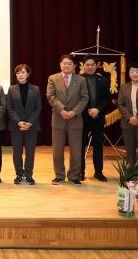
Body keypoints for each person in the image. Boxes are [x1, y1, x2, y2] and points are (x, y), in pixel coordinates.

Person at [46, 54, 89, 186]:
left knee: (76, 151)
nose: (66, 65)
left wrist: (74, 112)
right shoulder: (53, 78)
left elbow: (84, 98)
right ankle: (59, 175)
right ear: (60, 64)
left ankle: (74, 176)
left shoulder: (81, 80)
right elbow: (50, 96)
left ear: (75, 66)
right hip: (58, 119)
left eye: (70, 63)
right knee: (57, 151)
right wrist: (62, 110)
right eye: (64, 63)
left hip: (75, 119)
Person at [7, 63, 42, 185]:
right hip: (15, 126)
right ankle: (19, 174)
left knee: (30, 152)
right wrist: (18, 122)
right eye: (18, 73)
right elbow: (10, 108)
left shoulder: (35, 89)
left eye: (22, 72)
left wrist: (30, 122)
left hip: (32, 126)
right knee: (17, 152)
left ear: (28, 74)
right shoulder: (12, 89)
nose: (20, 75)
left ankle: (28, 174)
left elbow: (38, 108)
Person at [79, 55, 110, 182]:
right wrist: (88, 110)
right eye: (87, 65)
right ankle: (80, 171)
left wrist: (97, 109)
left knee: (98, 146)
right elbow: (78, 99)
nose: (90, 67)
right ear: (83, 66)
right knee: (80, 146)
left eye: (92, 65)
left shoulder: (103, 80)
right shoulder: (78, 79)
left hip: (98, 117)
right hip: (82, 117)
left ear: (97, 66)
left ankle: (98, 172)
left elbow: (106, 99)